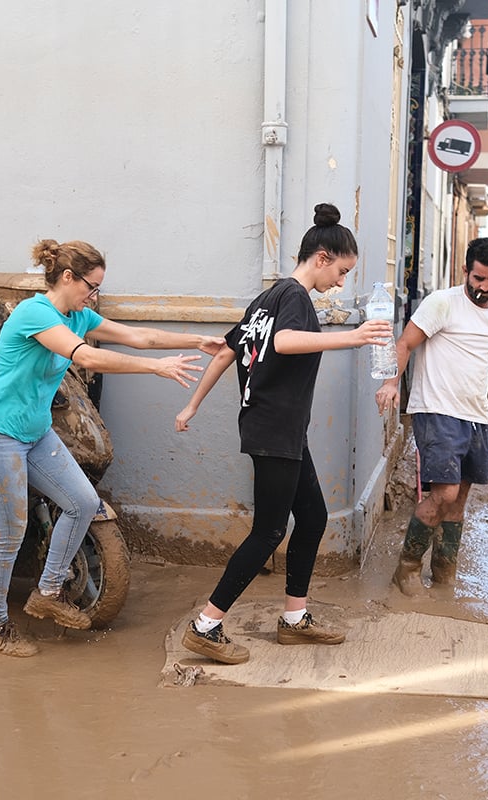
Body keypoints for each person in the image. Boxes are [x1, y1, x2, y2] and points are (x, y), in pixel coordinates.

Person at [0, 239, 225, 657]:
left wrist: (196, 341)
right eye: (92, 285)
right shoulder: (36, 314)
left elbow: (139, 335)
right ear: (68, 277)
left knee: (82, 503)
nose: (95, 294)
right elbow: (87, 360)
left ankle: (48, 592)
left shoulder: (79, 316)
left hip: (34, 434)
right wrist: (156, 368)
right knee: (9, 534)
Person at [173, 203, 394, 664]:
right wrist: (353, 338)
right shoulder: (293, 296)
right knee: (270, 531)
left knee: (311, 518)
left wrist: (192, 404)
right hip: (274, 429)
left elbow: (224, 352)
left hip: (280, 429)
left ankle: (294, 619)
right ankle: (205, 626)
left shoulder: (266, 300)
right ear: (321, 257)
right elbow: (283, 343)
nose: (341, 281)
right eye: (342, 270)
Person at [375, 237, 488, 591]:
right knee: (445, 494)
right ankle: (407, 569)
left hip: (477, 417)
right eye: (479, 278)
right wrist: (392, 383)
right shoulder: (441, 303)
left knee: (459, 500)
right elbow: (405, 343)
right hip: (437, 411)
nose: (485, 287)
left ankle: (444, 573)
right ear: (465, 271)